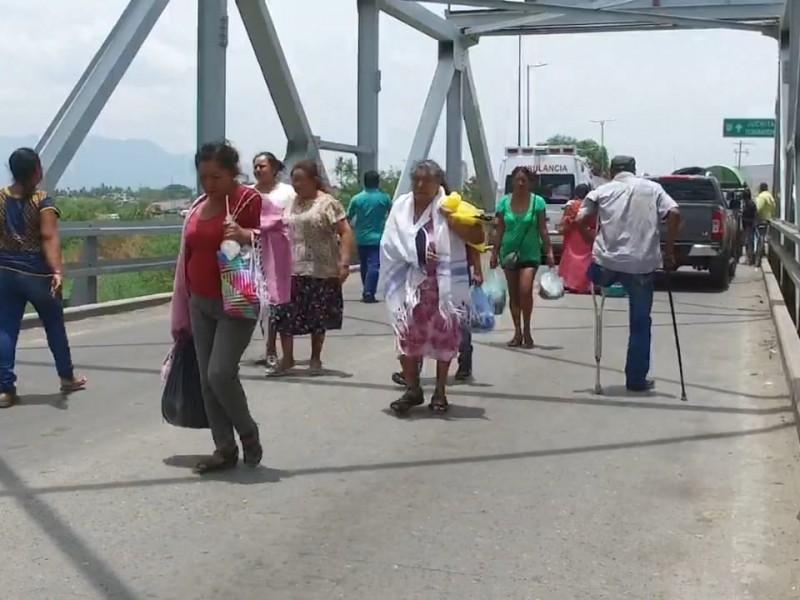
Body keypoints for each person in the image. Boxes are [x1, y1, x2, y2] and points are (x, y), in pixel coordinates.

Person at [170, 141, 264, 474]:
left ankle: (248, 433)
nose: (209, 184)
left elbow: (278, 239)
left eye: (216, 177)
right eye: (204, 177)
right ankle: (223, 448)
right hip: (200, 300)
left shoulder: (248, 200)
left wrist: (245, 234)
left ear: (232, 172)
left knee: (220, 372)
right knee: (207, 379)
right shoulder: (199, 205)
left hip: (235, 296)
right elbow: (190, 251)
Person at [381, 160, 485, 415]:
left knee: (443, 339)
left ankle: (440, 391)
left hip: (443, 288)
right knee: (406, 338)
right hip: (410, 285)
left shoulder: (453, 206)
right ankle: (413, 389)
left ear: (438, 182)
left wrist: (453, 221)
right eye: (415, 179)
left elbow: (478, 238)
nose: (419, 185)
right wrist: (415, 256)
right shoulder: (400, 207)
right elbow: (390, 243)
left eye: (425, 180)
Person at [578, 155, 681, 392]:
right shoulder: (653, 189)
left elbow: (580, 219)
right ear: (634, 170)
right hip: (641, 265)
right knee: (640, 323)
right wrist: (669, 251)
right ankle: (636, 380)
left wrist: (590, 243)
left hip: (606, 264)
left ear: (612, 170)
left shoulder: (601, 191)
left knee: (595, 272)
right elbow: (674, 213)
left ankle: (600, 281)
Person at [0, 148, 86, 408]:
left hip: (5, 273)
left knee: (5, 329)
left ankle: (5, 389)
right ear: (36, 170)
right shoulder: (42, 201)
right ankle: (66, 377)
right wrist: (57, 271)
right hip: (37, 274)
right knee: (54, 326)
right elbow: (49, 239)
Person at [268, 160, 355, 376]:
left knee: (318, 317)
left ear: (313, 180)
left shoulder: (328, 204)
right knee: (284, 316)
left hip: (320, 269)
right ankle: (287, 358)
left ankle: (315, 358)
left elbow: (345, 231)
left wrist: (344, 263)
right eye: (293, 180)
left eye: (299, 180)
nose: (295, 184)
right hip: (290, 270)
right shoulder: (290, 204)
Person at [389, 243, 483, 386]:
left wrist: (477, 269)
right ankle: (414, 369)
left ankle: (464, 361)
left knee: (455, 319)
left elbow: (473, 240)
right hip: (424, 272)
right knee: (418, 320)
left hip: (454, 272)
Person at [490, 166, 555, 348]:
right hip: (508, 253)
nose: (520, 183)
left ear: (530, 183)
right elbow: (499, 229)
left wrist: (549, 252)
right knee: (514, 295)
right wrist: (494, 253)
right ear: (512, 181)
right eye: (517, 180)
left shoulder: (538, 203)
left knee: (525, 290)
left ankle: (527, 329)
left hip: (530, 253)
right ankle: (517, 332)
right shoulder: (503, 203)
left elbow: (542, 228)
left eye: (524, 180)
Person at [251, 152, 295, 375]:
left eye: (262, 166)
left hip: (279, 254)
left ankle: (273, 349)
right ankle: (268, 346)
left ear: (274, 168)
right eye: (255, 166)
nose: (258, 170)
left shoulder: (287, 192)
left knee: (276, 301)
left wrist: (270, 225)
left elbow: (291, 220)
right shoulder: (249, 193)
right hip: (254, 252)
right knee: (260, 301)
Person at [347, 170, 392, 303]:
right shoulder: (384, 198)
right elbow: (394, 214)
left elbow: (348, 216)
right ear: (378, 182)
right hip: (378, 237)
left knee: (364, 265)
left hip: (360, 237)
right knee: (374, 265)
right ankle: (368, 292)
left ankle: (367, 291)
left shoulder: (357, 199)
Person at [558, 183, 594, 294]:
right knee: (586, 259)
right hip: (586, 234)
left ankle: (571, 283)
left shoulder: (571, 205)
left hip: (573, 234)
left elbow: (565, 220)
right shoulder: (591, 205)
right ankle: (584, 284)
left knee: (571, 258)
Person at [754, 182, 776, 266]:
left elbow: (758, 208)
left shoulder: (762, 196)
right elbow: (774, 207)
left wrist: (755, 217)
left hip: (761, 219)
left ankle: (757, 258)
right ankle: (762, 253)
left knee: (760, 238)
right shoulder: (770, 196)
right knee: (763, 237)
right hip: (768, 219)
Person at [740, 188, 757, 265]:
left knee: (748, 242)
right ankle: (750, 258)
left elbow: (747, 215)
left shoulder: (747, 204)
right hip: (750, 225)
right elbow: (755, 215)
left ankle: (749, 259)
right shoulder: (752, 203)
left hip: (748, 225)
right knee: (750, 242)